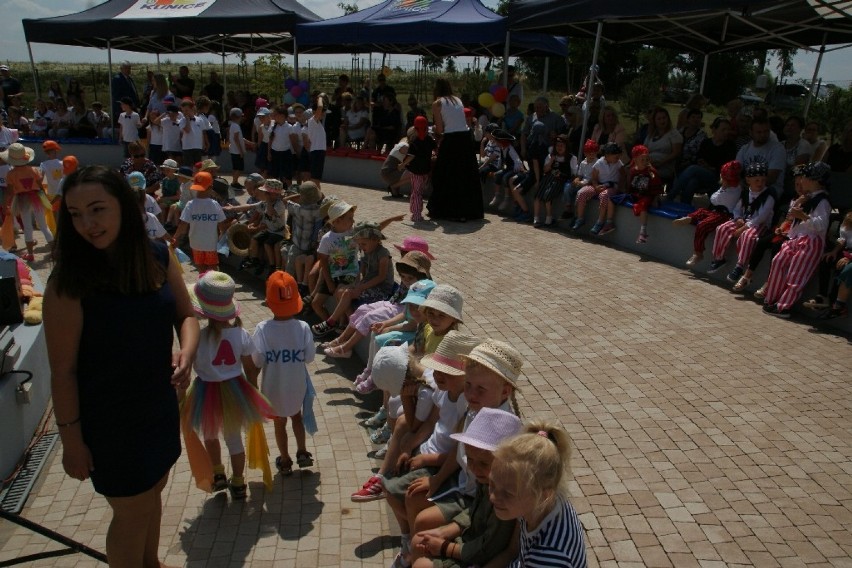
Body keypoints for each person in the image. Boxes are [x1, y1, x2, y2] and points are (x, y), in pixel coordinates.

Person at [44, 165, 199, 567]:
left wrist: (186, 351)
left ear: (124, 208)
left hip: (158, 405)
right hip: (109, 421)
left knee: (152, 498)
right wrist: (71, 441)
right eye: (75, 214)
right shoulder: (69, 281)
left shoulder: (157, 255)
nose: (87, 224)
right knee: (131, 513)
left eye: (97, 209)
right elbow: (63, 372)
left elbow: (187, 314)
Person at [183, 271, 273, 499]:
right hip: (236, 390)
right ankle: (239, 481)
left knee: (210, 434)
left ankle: (218, 473)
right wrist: (253, 390)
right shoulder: (241, 333)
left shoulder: (198, 337)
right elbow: (250, 367)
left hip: (206, 390)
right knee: (234, 439)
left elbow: (188, 362)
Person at [411, 407, 522, 568]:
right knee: (418, 540)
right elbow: (473, 510)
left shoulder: (505, 498)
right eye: (469, 459)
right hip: (471, 541)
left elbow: (490, 547)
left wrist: (445, 548)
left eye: (483, 463)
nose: (474, 468)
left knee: (422, 565)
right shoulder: (487, 478)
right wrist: (445, 531)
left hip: (483, 558)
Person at [490, 421, 587, 567]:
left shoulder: (547, 555)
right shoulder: (544, 504)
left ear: (544, 495)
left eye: (508, 493)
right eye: (492, 485)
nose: (493, 497)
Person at [251, 270, 317, 476]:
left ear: (269, 301)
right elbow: (309, 357)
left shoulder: (262, 329)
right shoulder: (303, 327)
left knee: (280, 422)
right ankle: (303, 452)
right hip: (297, 384)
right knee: (296, 416)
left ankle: (285, 459)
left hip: (273, 386)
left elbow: (257, 360)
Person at [322, 250, 431, 359]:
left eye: (409, 278)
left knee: (369, 317)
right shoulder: (412, 277)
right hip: (393, 303)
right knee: (362, 309)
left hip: (401, 309)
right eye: (403, 277)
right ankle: (341, 339)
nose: (405, 280)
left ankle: (345, 348)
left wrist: (388, 325)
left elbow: (407, 315)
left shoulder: (423, 289)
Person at [762, 162, 832, 318]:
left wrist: (804, 217)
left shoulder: (823, 201)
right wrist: (798, 205)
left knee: (797, 273)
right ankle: (771, 298)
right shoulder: (805, 197)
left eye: (805, 177)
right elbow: (791, 216)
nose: (801, 181)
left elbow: (822, 225)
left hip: (811, 242)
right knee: (778, 261)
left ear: (815, 180)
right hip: (796, 238)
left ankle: (783, 306)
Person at [312, 221, 394, 338]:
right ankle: (351, 324)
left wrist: (360, 287)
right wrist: (357, 284)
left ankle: (331, 322)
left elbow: (381, 277)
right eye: (359, 244)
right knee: (341, 291)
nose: (361, 247)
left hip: (381, 289)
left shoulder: (383, 254)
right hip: (368, 285)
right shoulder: (366, 252)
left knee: (348, 293)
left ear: (375, 240)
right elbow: (363, 272)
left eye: (364, 244)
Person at [706, 157, 776, 278]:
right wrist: (738, 217)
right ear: (748, 180)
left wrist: (743, 228)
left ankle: (740, 265)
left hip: (758, 224)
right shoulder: (745, 192)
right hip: (744, 220)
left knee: (748, 236)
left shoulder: (768, 195)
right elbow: (737, 208)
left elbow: (761, 217)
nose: (760, 183)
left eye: (763, 180)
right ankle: (719, 258)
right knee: (723, 228)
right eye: (757, 180)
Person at [427, 79, 483, 222]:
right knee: (465, 174)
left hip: (451, 139)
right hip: (465, 138)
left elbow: (440, 129)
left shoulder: (437, 103)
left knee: (444, 174)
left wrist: (434, 129)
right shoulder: (457, 100)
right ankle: (468, 210)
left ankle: (446, 210)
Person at [674, 160, 743, 266]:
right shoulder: (726, 188)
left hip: (724, 215)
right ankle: (690, 218)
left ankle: (698, 253)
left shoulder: (734, 191)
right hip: (716, 211)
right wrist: (722, 189)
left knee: (702, 225)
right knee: (701, 211)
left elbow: (714, 199)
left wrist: (722, 189)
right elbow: (714, 198)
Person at [2, 143, 54, 261]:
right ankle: (54, 251)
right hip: (36, 197)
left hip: (22, 199)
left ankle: (30, 254)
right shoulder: (34, 170)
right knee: (44, 226)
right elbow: (40, 186)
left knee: (27, 227)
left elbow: (9, 192)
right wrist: (45, 200)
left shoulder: (11, 174)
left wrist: (5, 205)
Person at [668, 117, 737, 204]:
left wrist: (710, 167)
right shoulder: (706, 143)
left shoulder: (730, 146)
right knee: (693, 181)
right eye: (723, 130)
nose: (726, 132)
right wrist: (702, 163)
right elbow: (699, 157)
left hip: (717, 176)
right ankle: (685, 204)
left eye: (728, 130)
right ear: (714, 129)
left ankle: (671, 195)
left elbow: (726, 166)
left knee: (693, 169)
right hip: (702, 172)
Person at [172, 171, 226, 273]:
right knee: (213, 268)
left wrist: (175, 237)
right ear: (211, 187)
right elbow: (222, 226)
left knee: (201, 268)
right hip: (211, 243)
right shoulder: (215, 204)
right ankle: (212, 286)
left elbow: (183, 226)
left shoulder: (190, 204)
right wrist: (221, 238)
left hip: (195, 243)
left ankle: (202, 285)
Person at [572, 142, 625, 235]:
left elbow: (624, 176)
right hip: (599, 185)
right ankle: (580, 218)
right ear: (607, 155)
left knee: (604, 195)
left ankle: (600, 222)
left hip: (612, 186)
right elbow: (594, 178)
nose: (617, 158)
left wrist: (621, 187)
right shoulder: (599, 163)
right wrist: (596, 186)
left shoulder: (618, 163)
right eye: (615, 156)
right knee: (582, 192)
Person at [534, 134, 577, 228]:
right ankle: (536, 218)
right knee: (538, 195)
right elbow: (545, 170)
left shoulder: (571, 158)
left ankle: (548, 219)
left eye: (562, 145)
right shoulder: (551, 156)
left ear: (566, 146)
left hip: (560, 180)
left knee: (547, 196)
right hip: (548, 178)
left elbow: (574, 173)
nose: (559, 148)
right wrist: (551, 160)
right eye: (557, 145)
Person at [624, 145, 664, 243]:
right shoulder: (633, 170)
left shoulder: (651, 172)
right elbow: (630, 184)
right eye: (642, 159)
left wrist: (655, 199)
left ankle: (643, 231)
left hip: (647, 195)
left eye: (647, 159)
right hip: (636, 194)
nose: (645, 162)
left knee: (643, 205)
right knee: (617, 198)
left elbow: (657, 185)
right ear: (635, 160)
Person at [399, 117, 436, 223]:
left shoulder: (415, 141)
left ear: (415, 128)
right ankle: (417, 212)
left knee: (416, 193)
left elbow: (411, 156)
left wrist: (402, 165)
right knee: (419, 192)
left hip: (416, 171)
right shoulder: (429, 139)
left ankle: (416, 214)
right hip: (426, 170)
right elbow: (435, 148)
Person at [644, 106, 683, 188]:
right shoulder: (651, 135)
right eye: (659, 119)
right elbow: (644, 150)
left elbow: (676, 153)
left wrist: (660, 163)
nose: (662, 120)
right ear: (654, 121)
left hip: (664, 166)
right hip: (648, 165)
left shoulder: (674, 134)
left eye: (664, 118)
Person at [304, 93, 328, 190]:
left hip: (319, 152)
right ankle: (319, 199)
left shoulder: (317, 124)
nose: (323, 114)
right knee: (315, 179)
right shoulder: (312, 121)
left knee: (316, 179)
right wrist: (320, 98)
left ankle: (317, 198)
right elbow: (320, 107)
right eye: (322, 112)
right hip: (317, 152)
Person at [179, 99, 209, 167]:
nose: (184, 112)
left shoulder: (200, 120)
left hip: (197, 146)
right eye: (183, 111)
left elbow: (203, 132)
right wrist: (187, 120)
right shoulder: (182, 120)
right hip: (187, 147)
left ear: (192, 109)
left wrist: (204, 143)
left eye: (186, 110)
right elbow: (187, 130)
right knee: (188, 166)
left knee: (197, 166)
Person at [111, 63, 140, 127]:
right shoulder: (117, 79)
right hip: (123, 109)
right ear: (121, 69)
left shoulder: (129, 78)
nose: (129, 70)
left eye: (129, 68)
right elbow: (116, 96)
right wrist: (122, 108)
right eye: (127, 68)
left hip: (132, 108)